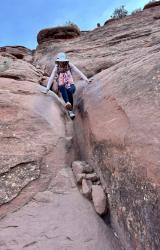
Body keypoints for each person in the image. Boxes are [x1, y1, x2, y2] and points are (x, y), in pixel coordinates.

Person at [41, 52, 90, 119]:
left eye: (63, 61)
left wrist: (86, 80)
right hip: (62, 84)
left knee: (70, 92)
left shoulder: (69, 65)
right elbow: (52, 77)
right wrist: (47, 89)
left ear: (65, 61)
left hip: (70, 84)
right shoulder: (56, 67)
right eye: (60, 61)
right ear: (58, 61)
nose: (62, 62)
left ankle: (70, 108)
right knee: (62, 87)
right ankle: (70, 109)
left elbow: (78, 71)